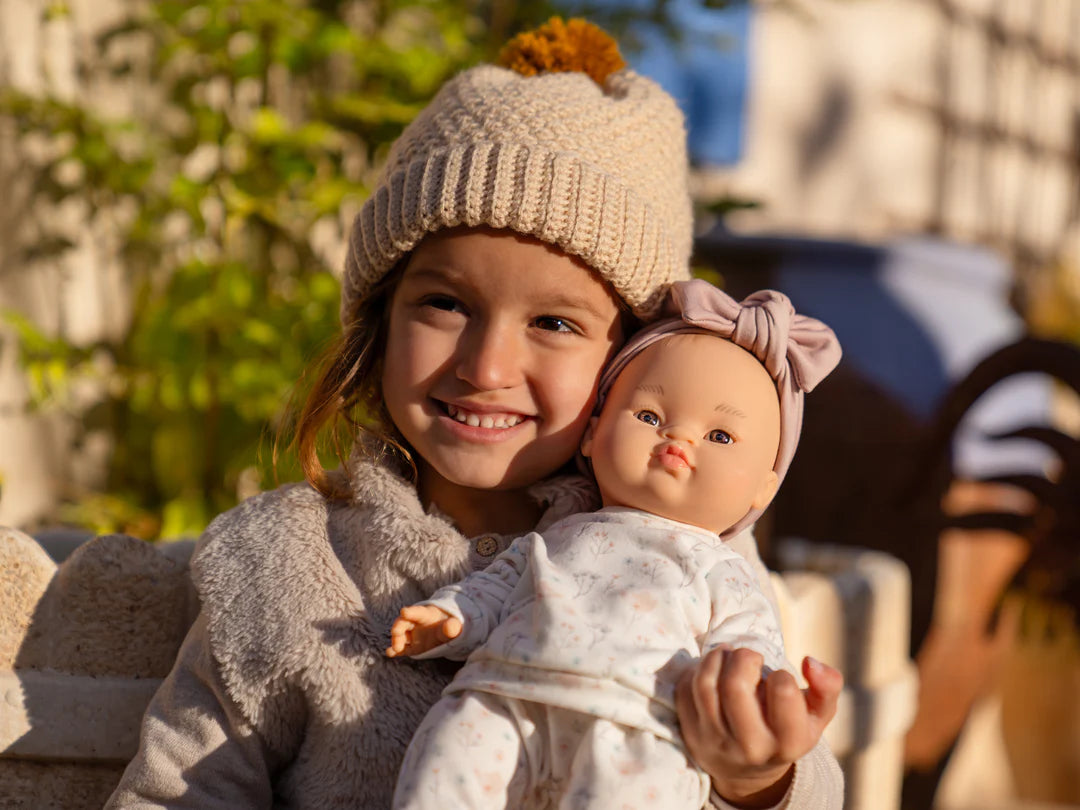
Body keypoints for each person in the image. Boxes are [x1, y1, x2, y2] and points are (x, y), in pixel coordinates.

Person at [106, 18, 842, 810]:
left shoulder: (691, 557)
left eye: (554, 323)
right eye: (445, 304)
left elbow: (811, 782)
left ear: (633, 364)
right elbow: (176, 791)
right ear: (381, 319)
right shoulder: (286, 562)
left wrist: (757, 776)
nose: (486, 368)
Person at [386, 279, 844, 809]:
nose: (679, 439)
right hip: (504, 695)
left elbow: (747, 652)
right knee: (444, 770)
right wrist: (452, 617)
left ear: (766, 485)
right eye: (649, 417)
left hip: (638, 729)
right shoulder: (561, 528)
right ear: (593, 433)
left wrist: (756, 720)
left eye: (720, 436)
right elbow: (501, 584)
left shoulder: (728, 572)